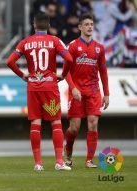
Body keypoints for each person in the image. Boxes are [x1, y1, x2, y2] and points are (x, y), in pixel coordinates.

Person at [6, 12, 73, 171]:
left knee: (36, 123)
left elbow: (10, 61)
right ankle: (58, 162)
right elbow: (69, 59)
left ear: (34, 25)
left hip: (33, 87)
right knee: (55, 122)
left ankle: (38, 164)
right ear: (48, 25)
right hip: (50, 87)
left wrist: (23, 75)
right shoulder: (55, 41)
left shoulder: (25, 42)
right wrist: (63, 75)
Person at [63, 13, 109, 168]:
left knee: (93, 123)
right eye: (86, 24)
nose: (90, 27)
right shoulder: (73, 46)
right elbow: (66, 71)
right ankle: (68, 150)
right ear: (80, 27)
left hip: (94, 91)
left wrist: (107, 93)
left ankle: (89, 160)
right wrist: (73, 88)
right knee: (74, 128)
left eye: (91, 24)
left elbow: (103, 71)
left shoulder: (99, 48)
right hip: (76, 92)